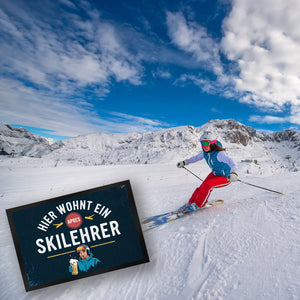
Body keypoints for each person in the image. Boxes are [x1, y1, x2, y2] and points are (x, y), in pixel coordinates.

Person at [176, 132, 238, 213]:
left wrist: (234, 173)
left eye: (206, 143)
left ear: (212, 143)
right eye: (202, 143)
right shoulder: (205, 153)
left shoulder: (220, 154)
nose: (204, 146)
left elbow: (233, 162)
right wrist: (185, 162)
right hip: (215, 173)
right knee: (202, 186)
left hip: (226, 176)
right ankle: (191, 202)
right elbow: (195, 158)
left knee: (208, 185)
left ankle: (198, 204)